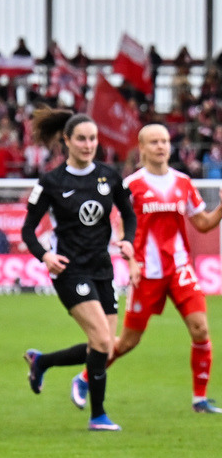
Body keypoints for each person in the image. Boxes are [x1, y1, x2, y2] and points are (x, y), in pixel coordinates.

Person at [69, 124, 222, 414]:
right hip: (146, 272)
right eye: (154, 142)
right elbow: (116, 226)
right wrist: (131, 260)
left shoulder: (183, 183)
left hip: (179, 268)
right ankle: (85, 377)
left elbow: (202, 223)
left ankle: (199, 399)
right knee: (127, 341)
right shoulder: (131, 186)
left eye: (165, 141)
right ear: (142, 147)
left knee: (201, 329)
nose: (161, 146)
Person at [21, 108, 137, 432]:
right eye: (82, 139)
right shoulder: (51, 182)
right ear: (67, 141)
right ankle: (98, 416)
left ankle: (42, 361)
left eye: (93, 139)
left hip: (102, 268)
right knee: (101, 340)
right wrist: (45, 256)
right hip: (69, 270)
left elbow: (129, 214)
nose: (88, 145)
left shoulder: (109, 176)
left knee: (105, 345)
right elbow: (28, 230)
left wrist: (127, 240)